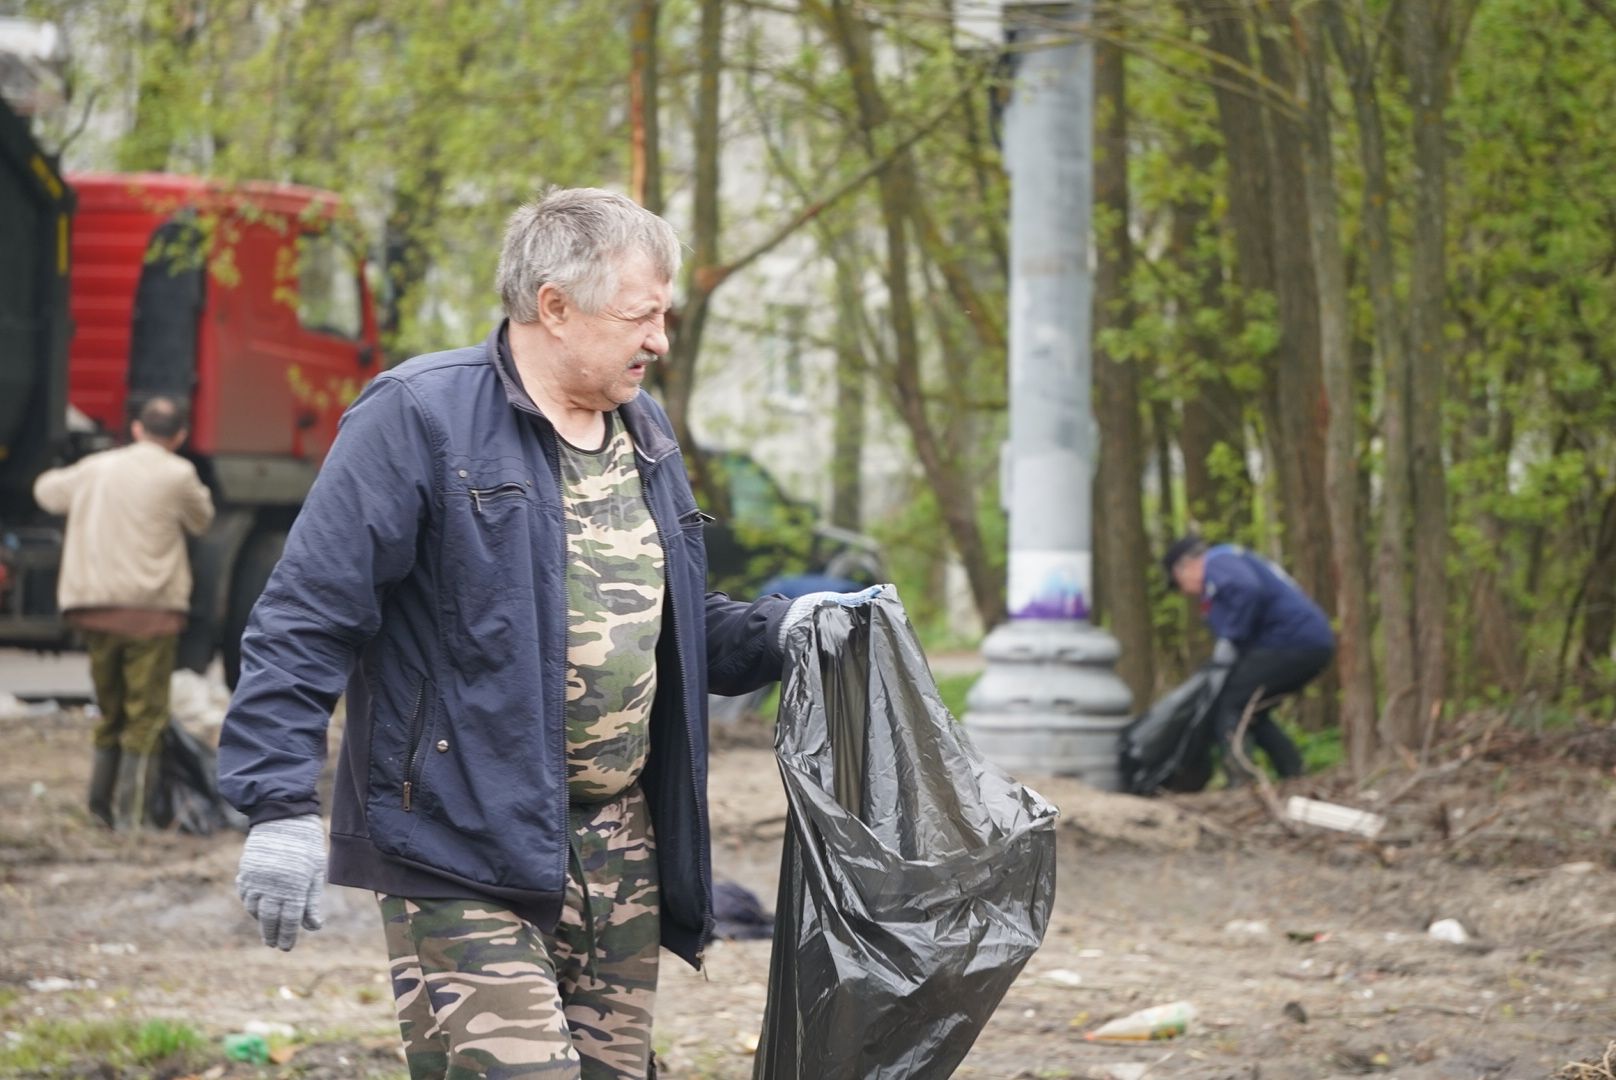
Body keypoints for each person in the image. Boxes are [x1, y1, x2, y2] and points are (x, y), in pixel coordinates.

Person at [217, 187, 875, 1080]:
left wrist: (791, 629)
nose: (660, 340)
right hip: (463, 841)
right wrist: (279, 806)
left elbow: (667, 630)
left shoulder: (644, 429)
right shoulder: (417, 416)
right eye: (641, 315)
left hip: (620, 851)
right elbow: (305, 617)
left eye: (665, 315)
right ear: (554, 308)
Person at [33, 395, 216, 830]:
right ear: (179, 436)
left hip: (93, 610)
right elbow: (202, 519)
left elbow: (45, 491)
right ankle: (132, 822)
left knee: (109, 710)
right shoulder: (178, 473)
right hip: (150, 613)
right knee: (145, 718)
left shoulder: (97, 467)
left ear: (136, 428)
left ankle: (98, 809)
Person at [1163, 535, 1334, 784]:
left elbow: (1247, 589)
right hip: (1310, 642)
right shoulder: (1231, 559)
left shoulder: (1217, 561)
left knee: (1229, 704)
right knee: (1253, 712)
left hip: (1292, 642)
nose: (1185, 591)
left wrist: (1230, 639)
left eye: (1179, 583)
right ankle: (1295, 776)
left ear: (1185, 566)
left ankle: (1240, 782)